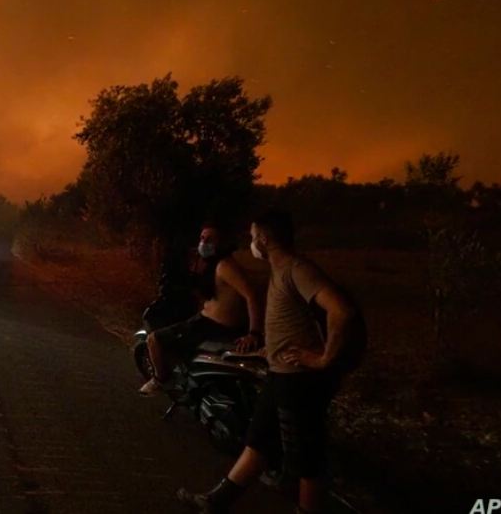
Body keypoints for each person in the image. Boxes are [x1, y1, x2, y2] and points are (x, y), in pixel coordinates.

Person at [176, 209, 357, 514]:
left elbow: (342, 311)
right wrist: (268, 348)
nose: (251, 242)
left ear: (264, 237)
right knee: (257, 442)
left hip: (299, 381)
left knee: (306, 458)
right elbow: (292, 320)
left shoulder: (298, 269)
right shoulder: (279, 269)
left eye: (252, 235)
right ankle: (214, 502)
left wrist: (323, 358)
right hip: (279, 375)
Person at [139, 223, 263, 396]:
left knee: (154, 339)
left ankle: (162, 380)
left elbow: (251, 295)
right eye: (202, 238)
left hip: (212, 325)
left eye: (210, 239)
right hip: (208, 319)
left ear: (221, 243)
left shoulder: (224, 266)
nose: (204, 243)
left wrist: (253, 333)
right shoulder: (212, 264)